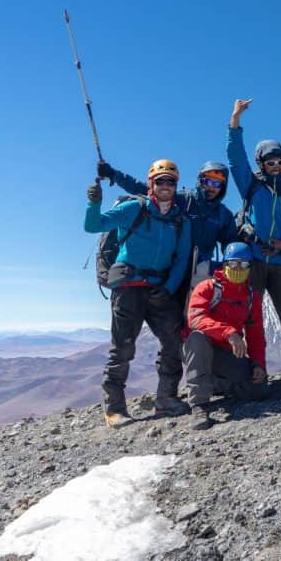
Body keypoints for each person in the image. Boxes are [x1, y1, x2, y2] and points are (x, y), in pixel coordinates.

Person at [85, 159, 192, 427]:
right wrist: (94, 203)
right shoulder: (134, 208)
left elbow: (181, 260)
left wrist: (168, 289)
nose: (165, 186)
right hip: (128, 286)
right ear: (151, 184)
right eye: (160, 181)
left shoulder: (180, 220)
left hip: (158, 288)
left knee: (174, 341)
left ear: (175, 186)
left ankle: (166, 399)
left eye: (170, 182)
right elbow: (93, 225)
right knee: (123, 346)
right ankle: (114, 409)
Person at [226, 98, 281, 384]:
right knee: (250, 316)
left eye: (279, 161)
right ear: (261, 163)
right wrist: (235, 122)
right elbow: (235, 158)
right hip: (253, 261)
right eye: (270, 162)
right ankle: (255, 369)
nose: (275, 166)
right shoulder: (251, 184)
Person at [97, 159, 237, 302]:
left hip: (200, 272)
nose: (211, 188)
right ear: (200, 181)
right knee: (169, 312)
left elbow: (231, 246)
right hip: (171, 268)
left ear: (223, 187)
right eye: (208, 182)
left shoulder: (224, 215)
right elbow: (144, 188)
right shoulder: (183, 199)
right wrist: (114, 175)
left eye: (217, 184)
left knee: (193, 314)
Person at [182, 242, 271, 430]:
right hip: (198, 350)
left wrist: (258, 365)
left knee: (260, 388)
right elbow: (195, 319)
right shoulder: (206, 288)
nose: (238, 268)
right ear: (224, 265)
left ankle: (213, 384)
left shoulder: (250, 296)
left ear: (250, 267)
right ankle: (199, 405)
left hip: (225, 354)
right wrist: (228, 332)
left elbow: (255, 335)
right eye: (233, 264)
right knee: (198, 338)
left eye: (244, 264)